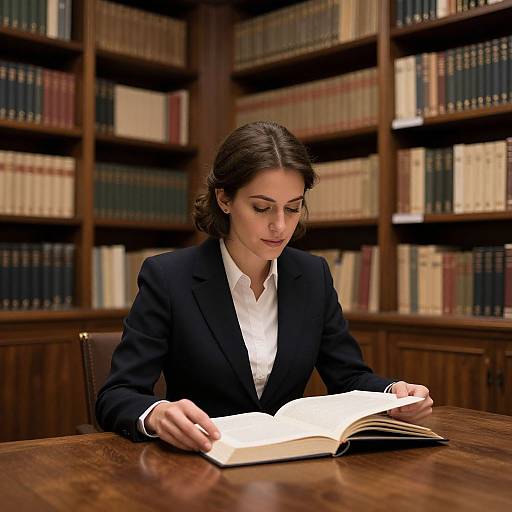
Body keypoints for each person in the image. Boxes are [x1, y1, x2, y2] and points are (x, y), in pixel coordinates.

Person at [96, 121, 433, 453]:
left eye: (293, 207)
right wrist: (157, 414)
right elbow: (117, 395)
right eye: (262, 207)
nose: (280, 226)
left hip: (289, 465)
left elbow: (348, 377)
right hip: (201, 467)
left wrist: (392, 394)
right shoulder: (168, 278)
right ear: (224, 199)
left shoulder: (312, 275)